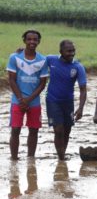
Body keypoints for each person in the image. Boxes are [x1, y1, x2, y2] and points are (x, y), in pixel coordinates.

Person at [7, 30, 49, 160]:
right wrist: (21, 99)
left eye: (35, 40)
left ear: (39, 41)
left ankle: (31, 159)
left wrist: (28, 100)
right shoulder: (14, 58)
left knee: (34, 131)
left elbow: (42, 84)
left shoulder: (43, 60)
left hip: (34, 101)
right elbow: (11, 80)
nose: (32, 42)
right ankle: (14, 159)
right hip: (17, 100)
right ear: (24, 41)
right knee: (15, 130)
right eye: (29, 39)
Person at [46, 40, 87, 160]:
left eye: (73, 51)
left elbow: (83, 89)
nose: (72, 53)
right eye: (68, 51)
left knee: (67, 130)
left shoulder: (78, 67)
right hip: (52, 101)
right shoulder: (51, 60)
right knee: (58, 130)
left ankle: (62, 154)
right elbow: (35, 59)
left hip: (68, 102)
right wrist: (21, 53)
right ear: (61, 51)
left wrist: (80, 108)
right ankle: (61, 157)